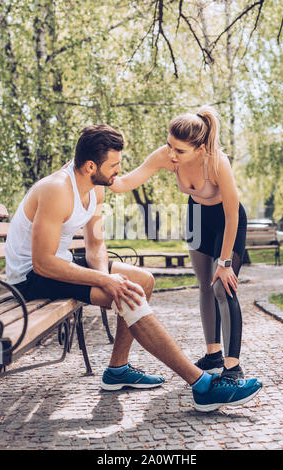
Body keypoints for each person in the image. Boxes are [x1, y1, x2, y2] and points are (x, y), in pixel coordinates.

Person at [5, 124, 261, 412]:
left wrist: (104, 276)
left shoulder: (94, 190)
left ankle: (117, 369)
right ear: (91, 166)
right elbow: (42, 263)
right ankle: (202, 386)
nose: (118, 173)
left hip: (57, 263)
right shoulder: (56, 190)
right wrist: (107, 282)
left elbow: (95, 244)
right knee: (130, 293)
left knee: (144, 279)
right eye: (113, 166)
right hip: (31, 277)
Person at [109, 106, 249, 381]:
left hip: (226, 220)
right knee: (205, 285)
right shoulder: (166, 155)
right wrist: (99, 173)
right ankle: (213, 355)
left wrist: (225, 263)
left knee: (223, 285)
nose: (172, 155)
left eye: (180, 151)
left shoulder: (218, 162)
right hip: (197, 217)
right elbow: (126, 182)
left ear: (199, 148)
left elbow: (232, 213)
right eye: (170, 145)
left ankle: (233, 368)